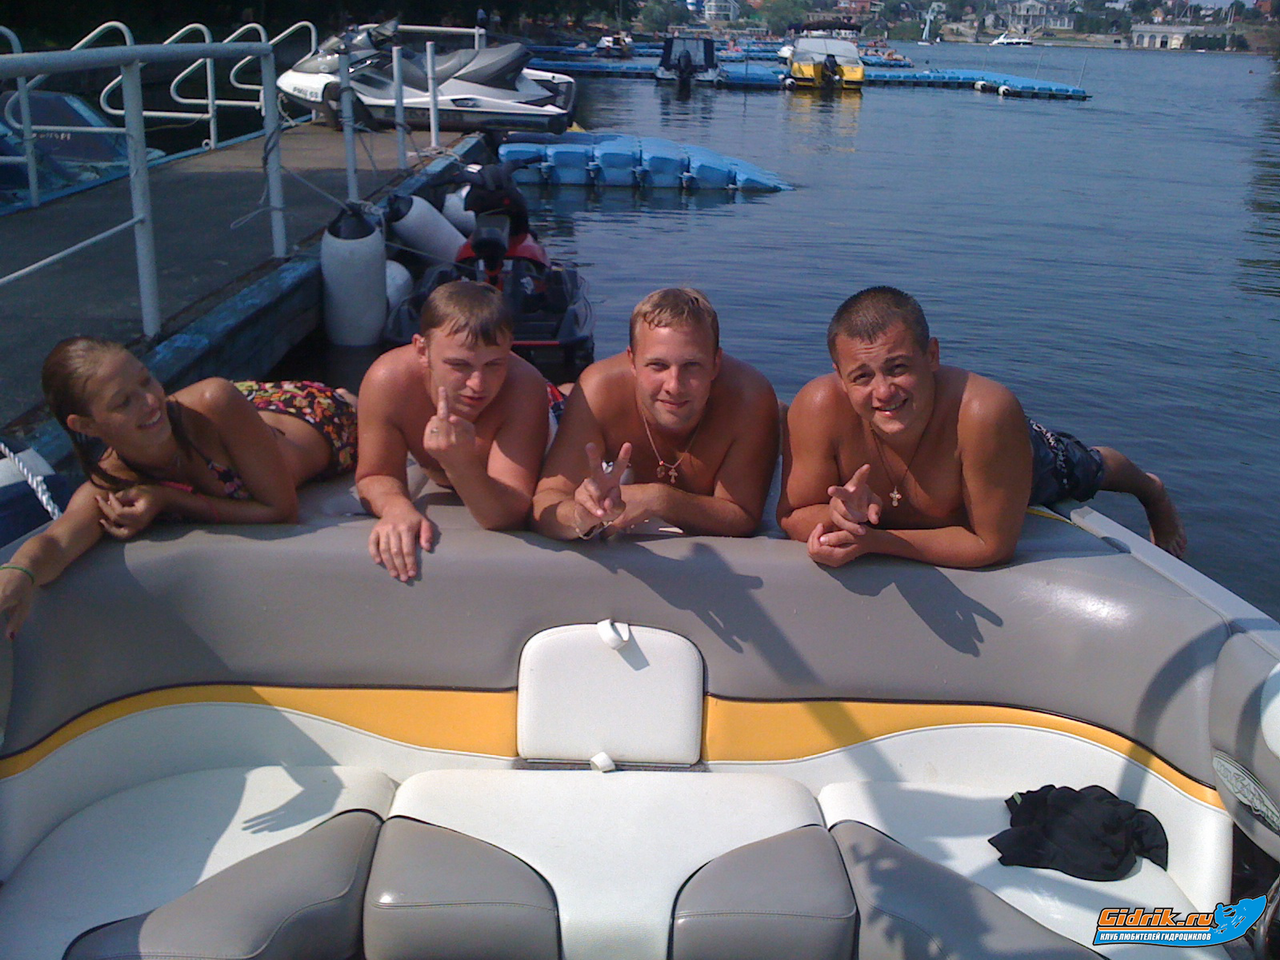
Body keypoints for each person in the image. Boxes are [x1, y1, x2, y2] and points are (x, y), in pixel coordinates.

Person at [778, 286, 1186, 569]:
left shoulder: (985, 413)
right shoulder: (817, 407)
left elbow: (991, 545)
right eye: (862, 376)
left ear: (932, 355)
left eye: (898, 368)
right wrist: (839, 520)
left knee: (1085, 468)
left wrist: (875, 542)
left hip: (1015, 454)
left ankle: (1150, 488)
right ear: (839, 377)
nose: (883, 392)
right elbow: (793, 514)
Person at [0, 336, 358, 640]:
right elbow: (57, 542)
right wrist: (21, 573)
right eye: (123, 402)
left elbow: (282, 510)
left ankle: (348, 397)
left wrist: (169, 498)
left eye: (146, 380)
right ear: (86, 426)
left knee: (345, 407)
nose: (149, 401)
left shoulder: (214, 400)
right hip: (243, 416)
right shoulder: (111, 480)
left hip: (314, 415)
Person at [533, 287, 778, 539]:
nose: (674, 386)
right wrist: (580, 515)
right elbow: (546, 501)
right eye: (658, 365)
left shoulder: (749, 399)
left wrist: (659, 499)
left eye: (692, 365)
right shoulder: (598, 391)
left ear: (716, 364)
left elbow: (743, 516)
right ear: (632, 361)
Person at [356, 280, 550, 581]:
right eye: (459, 365)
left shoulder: (524, 388)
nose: (478, 384)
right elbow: (374, 475)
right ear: (422, 350)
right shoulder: (389, 381)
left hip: (549, 417)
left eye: (494, 364)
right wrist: (395, 507)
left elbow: (508, 515)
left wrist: (460, 463)